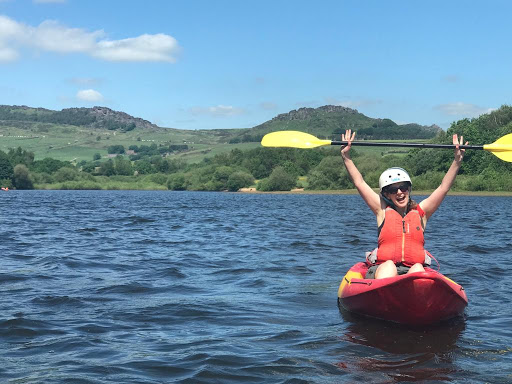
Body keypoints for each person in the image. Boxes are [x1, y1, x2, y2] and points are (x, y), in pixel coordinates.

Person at [340, 129, 467, 279]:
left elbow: (443, 188)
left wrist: (457, 161)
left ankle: (414, 295)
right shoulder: (382, 210)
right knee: (389, 266)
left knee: (418, 267)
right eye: (393, 189)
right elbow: (359, 182)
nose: (400, 192)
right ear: (386, 194)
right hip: (383, 271)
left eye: (403, 187)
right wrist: (346, 157)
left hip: (412, 272)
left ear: (409, 189)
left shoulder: (421, 212)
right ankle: (386, 296)